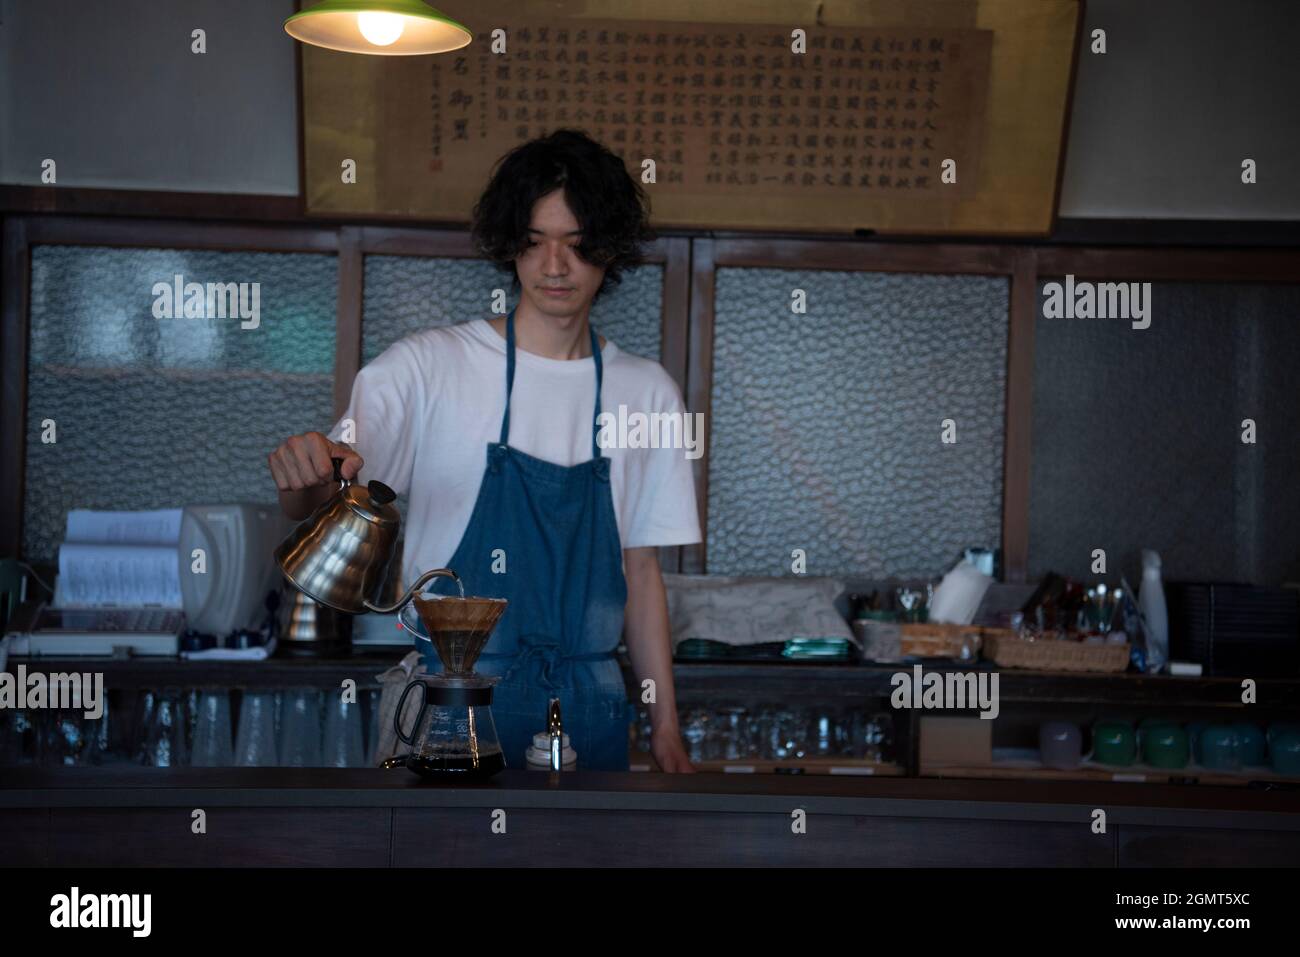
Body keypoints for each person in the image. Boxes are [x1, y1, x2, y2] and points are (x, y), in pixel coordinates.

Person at [268, 129, 699, 772]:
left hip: (591, 703)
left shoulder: (649, 393)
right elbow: (327, 487)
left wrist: (664, 724)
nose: (555, 266)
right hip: (453, 699)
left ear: (610, 249)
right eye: (534, 241)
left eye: (578, 244)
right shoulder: (428, 366)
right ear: (509, 245)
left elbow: (642, 576)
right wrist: (305, 468)